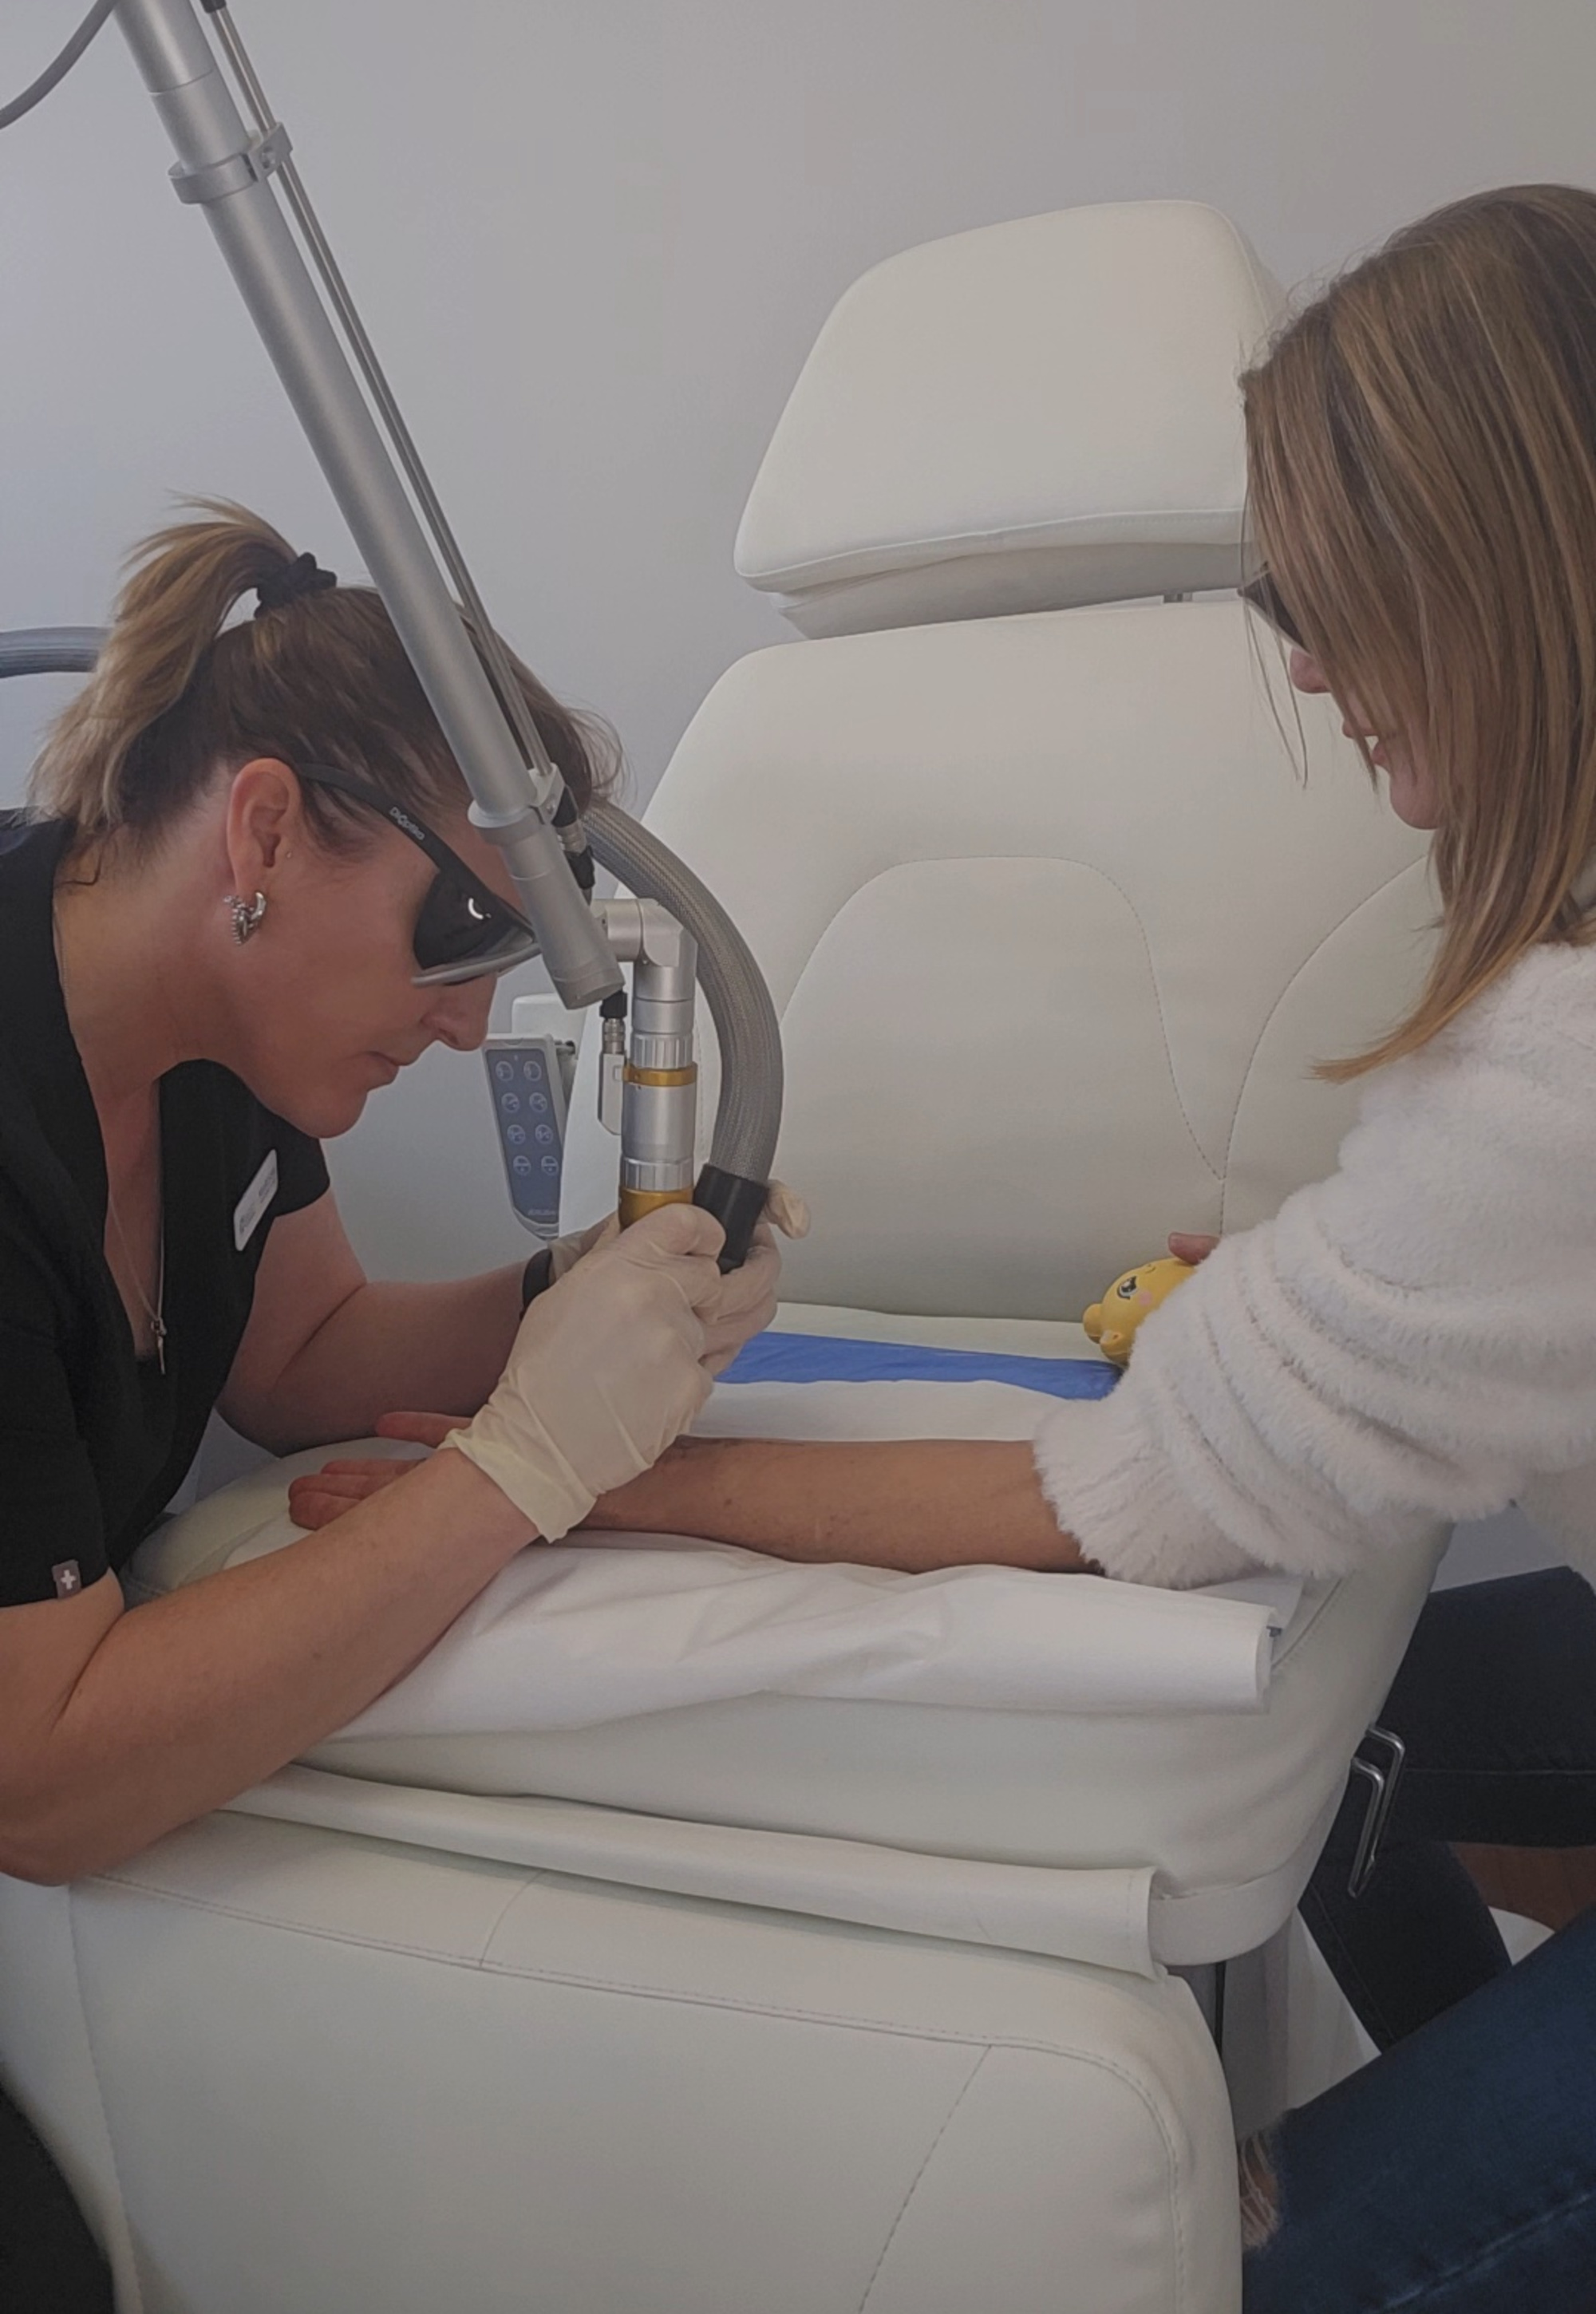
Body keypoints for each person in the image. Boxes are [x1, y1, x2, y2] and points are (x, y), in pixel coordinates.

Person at [299, 184, 1596, 2309]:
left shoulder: (1556, 1054)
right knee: (1378, 1742)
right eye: (1281, 584)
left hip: (1045, 1454)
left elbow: (1110, 1495)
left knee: (1288, 2266)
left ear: (1505, 566)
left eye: (1336, 587)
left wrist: (555, 1483)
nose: (1297, 654)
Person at [0, 503, 785, 2305]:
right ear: (261, 829)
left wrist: (587, 1297)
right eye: (453, 939)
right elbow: (38, 1778)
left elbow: (305, 1349)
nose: (460, 1024)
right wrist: (518, 1465)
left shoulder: (206, 1039)